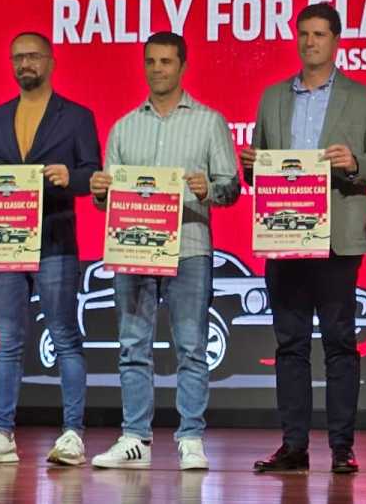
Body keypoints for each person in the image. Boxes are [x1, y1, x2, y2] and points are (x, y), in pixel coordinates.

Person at [242, 3, 366, 474]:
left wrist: (354, 163)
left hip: (337, 238)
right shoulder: (272, 97)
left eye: (320, 34)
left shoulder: (362, 97)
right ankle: (294, 446)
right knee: (290, 345)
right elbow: (261, 168)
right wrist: (252, 166)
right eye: (304, 34)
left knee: (340, 343)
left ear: (336, 41)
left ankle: (342, 447)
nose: (310, 42)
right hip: (284, 235)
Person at [88, 31, 239, 471]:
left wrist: (208, 189)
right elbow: (107, 199)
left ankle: (190, 437)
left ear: (183, 66)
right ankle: (135, 437)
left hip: (189, 248)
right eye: (151, 61)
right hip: (134, 249)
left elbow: (231, 188)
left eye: (166, 61)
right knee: (132, 345)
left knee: (191, 346)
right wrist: (100, 191)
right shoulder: (123, 126)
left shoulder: (209, 122)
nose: (157, 69)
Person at [0, 32, 101, 467]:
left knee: (65, 337)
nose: (25, 64)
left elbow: (93, 173)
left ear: (51, 62)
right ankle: (1, 433)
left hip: (55, 239)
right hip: (3, 241)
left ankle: (72, 434)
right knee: (8, 341)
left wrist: (70, 177)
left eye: (33, 56)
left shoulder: (77, 116)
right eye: (18, 57)